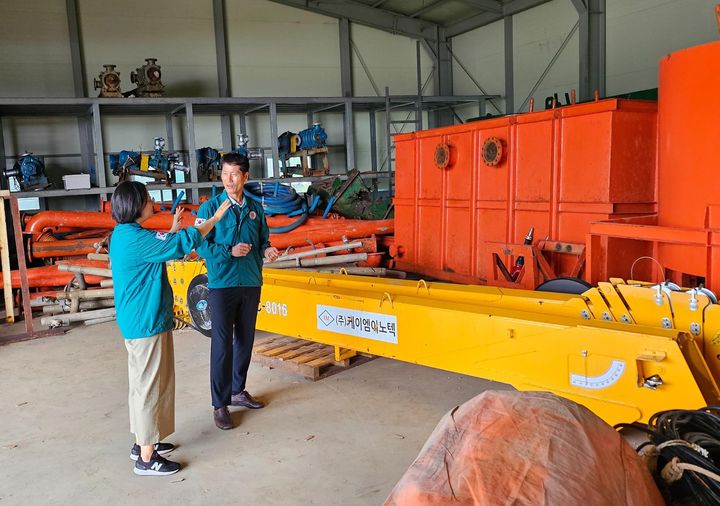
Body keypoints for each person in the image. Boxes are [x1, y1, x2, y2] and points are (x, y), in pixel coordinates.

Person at [110, 181, 230, 475]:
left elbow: (163, 247)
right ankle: (147, 458)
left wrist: (174, 230)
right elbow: (178, 245)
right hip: (145, 321)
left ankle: (144, 442)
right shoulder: (134, 239)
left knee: (148, 383)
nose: (152, 203)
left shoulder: (127, 234)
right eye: (148, 199)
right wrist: (212, 221)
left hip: (143, 319)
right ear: (136, 206)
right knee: (149, 386)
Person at [196, 152, 279, 430]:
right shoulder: (210, 209)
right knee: (221, 343)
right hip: (222, 283)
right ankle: (219, 404)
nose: (228, 180)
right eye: (224, 174)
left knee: (245, 339)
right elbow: (199, 245)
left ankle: (237, 390)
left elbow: (263, 238)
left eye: (234, 174)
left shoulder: (255, 207)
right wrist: (228, 251)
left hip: (251, 281)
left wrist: (267, 249)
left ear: (245, 176)